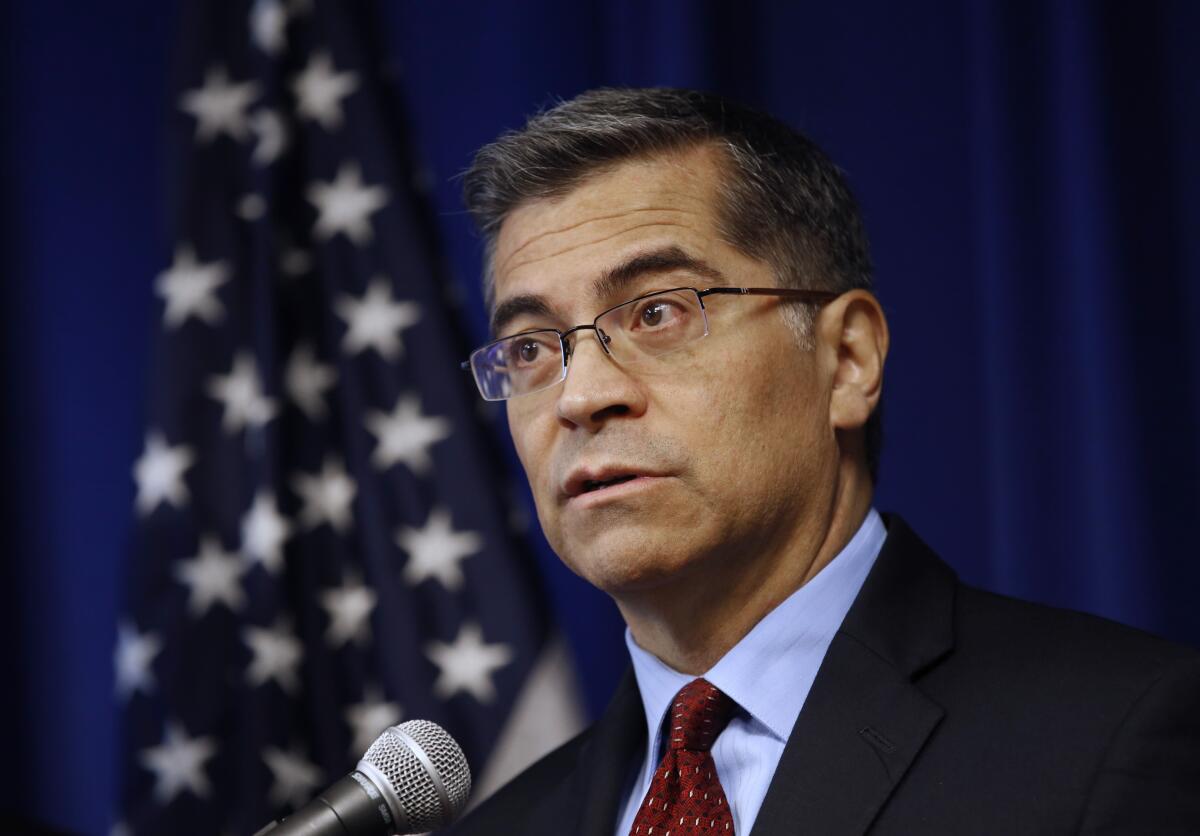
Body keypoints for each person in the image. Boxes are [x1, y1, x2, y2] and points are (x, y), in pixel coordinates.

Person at [447, 88, 1200, 835]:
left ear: (847, 360)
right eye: (530, 349)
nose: (581, 397)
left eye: (658, 312)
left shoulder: (1111, 741)